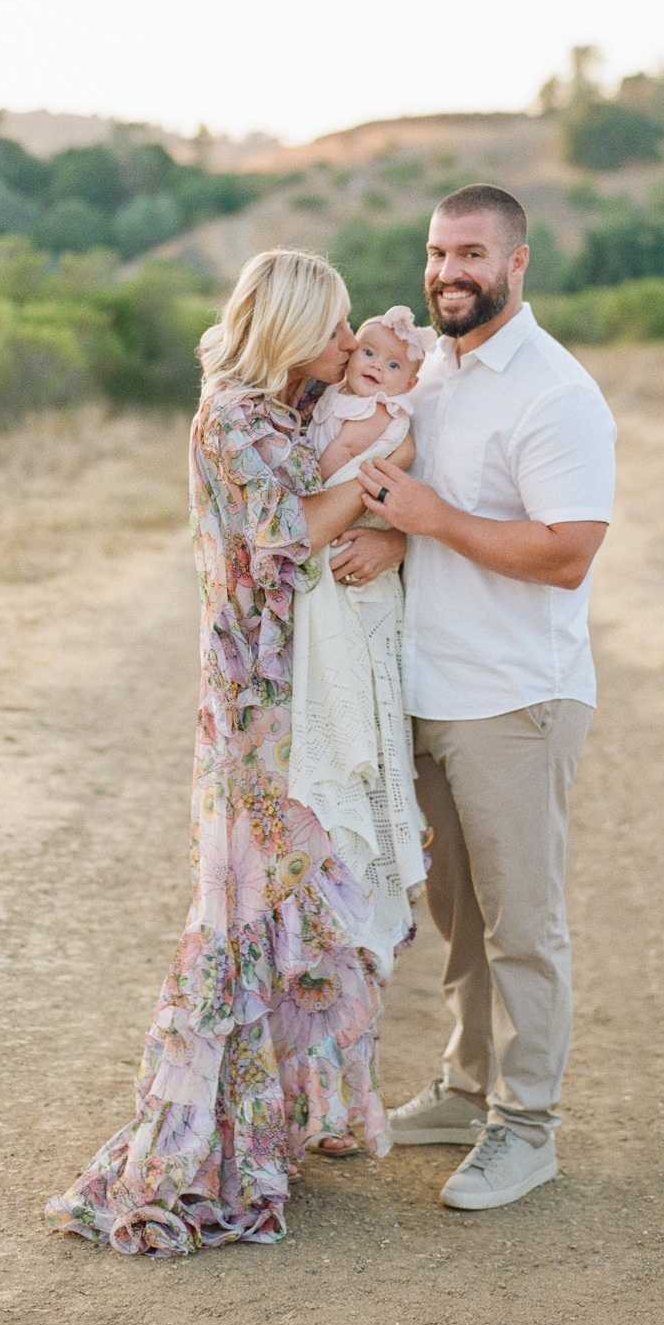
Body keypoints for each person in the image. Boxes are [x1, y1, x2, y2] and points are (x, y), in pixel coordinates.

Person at [46, 248, 414, 1256]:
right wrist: (380, 484)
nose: (349, 342)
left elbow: (373, 416)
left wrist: (388, 507)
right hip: (256, 706)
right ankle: (207, 1145)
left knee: (300, 893)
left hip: (302, 693)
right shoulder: (235, 419)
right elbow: (291, 530)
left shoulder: (293, 406)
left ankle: (277, 1119)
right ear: (288, 331)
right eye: (332, 327)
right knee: (246, 903)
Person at [346, 184, 617, 1212]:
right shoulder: (432, 374)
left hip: (515, 698)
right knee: (458, 913)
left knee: (522, 923)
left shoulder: (555, 393)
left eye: (470, 253)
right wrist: (397, 534)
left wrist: (429, 518)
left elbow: (567, 551)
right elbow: (421, 507)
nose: (447, 271)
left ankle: (527, 1125)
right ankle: (466, 1092)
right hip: (431, 690)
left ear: (517, 263)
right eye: (436, 252)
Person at [289, 307, 435, 980]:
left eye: (390, 362)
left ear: (409, 383)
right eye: (366, 351)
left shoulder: (384, 419)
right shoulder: (320, 394)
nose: (370, 362)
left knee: (357, 713)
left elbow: (332, 474)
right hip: (320, 571)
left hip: (348, 569)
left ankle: (359, 905)